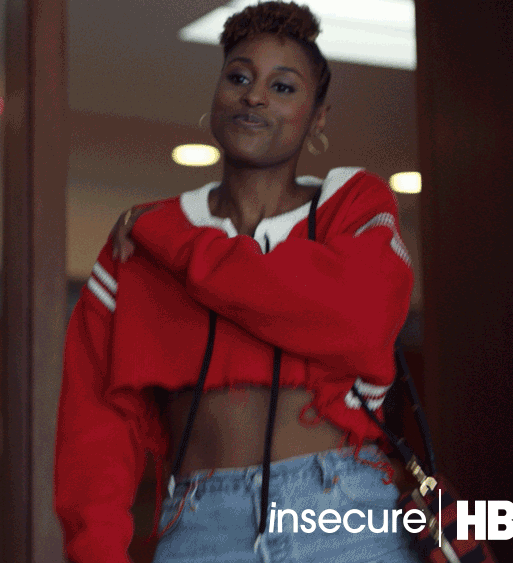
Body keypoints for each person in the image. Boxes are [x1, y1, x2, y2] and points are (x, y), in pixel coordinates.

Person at [54, 2, 417, 562]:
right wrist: (95, 552)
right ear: (217, 94)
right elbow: (95, 421)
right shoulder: (139, 249)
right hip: (201, 525)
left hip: (343, 512)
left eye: (283, 87)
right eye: (239, 77)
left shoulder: (350, 205)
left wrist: (177, 241)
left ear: (318, 117)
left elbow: (358, 320)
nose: (254, 97)